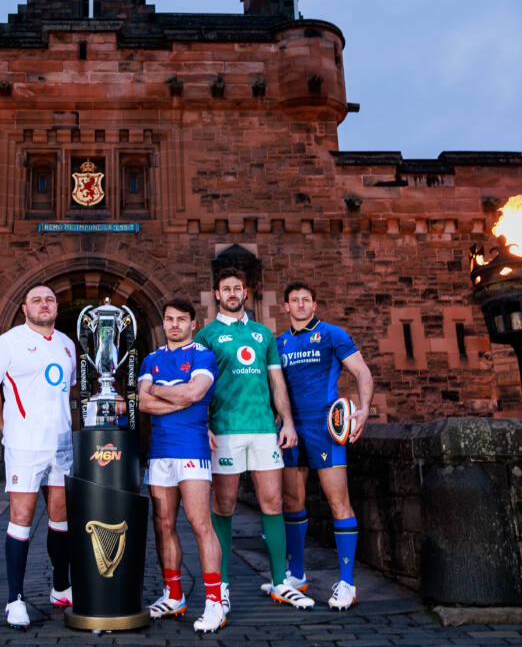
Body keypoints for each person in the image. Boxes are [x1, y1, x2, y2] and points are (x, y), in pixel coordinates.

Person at [194, 268, 315, 612]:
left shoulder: (263, 335)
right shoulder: (206, 336)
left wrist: (287, 423)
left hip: (264, 429)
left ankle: (280, 582)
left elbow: (277, 383)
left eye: (237, 288)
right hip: (226, 429)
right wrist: (204, 425)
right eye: (225, 289)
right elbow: (200, 386)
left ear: (245, 293)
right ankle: (223, 585)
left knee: (273, 502)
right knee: (224, 505)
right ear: (217, 294)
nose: (232, 294)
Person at [0, 284, 78, 629]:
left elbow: (67, 393)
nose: (44, 304)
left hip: (61, 445)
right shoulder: (8, 341)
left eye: (49, 299)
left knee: (61, 517)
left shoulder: (67, 345)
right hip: (25, 445)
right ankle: (14, 600)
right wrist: (5, 425)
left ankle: (61, 587)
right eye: (36, 300)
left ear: (56, 306)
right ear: (25, 308)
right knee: (21, 517)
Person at [273, 282, 373, 611]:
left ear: (314, 305)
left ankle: (347, 583)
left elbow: (362, 372)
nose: (301, 305)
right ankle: (297, 576)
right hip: (291, 429)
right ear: (285, 307)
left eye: (306, 300)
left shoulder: (332, 334)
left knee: (337, 501)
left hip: (326, 428)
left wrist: (363, 410)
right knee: (292, 501)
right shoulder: (279, 343)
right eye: (294, 301)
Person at [137, 298, 226, 633]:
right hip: (159, 451)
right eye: (169, 319)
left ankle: (215, 604)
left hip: (192, 448)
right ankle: (174, 595)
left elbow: (195, 393)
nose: (174, 325)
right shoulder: (151, 358)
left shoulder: (202, 355)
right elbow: (142, 403)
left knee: (200, 523)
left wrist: (163, 392)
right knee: (163, 524)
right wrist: (179, 395)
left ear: (194, 324)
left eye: (181, 320)